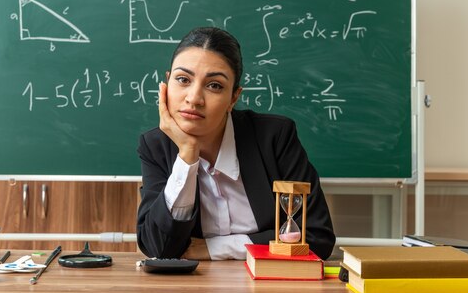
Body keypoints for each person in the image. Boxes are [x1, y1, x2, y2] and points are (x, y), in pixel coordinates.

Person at [136, 27, 335, 260]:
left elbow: (317, 238)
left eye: (214, 86)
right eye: (183, 80)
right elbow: (158, 248)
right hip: (195, 290)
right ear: (166, 85)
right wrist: (188, 154)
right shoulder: (155, 146)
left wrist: (214, 248)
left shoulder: (275, 137)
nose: (194, 98)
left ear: (233, 98)